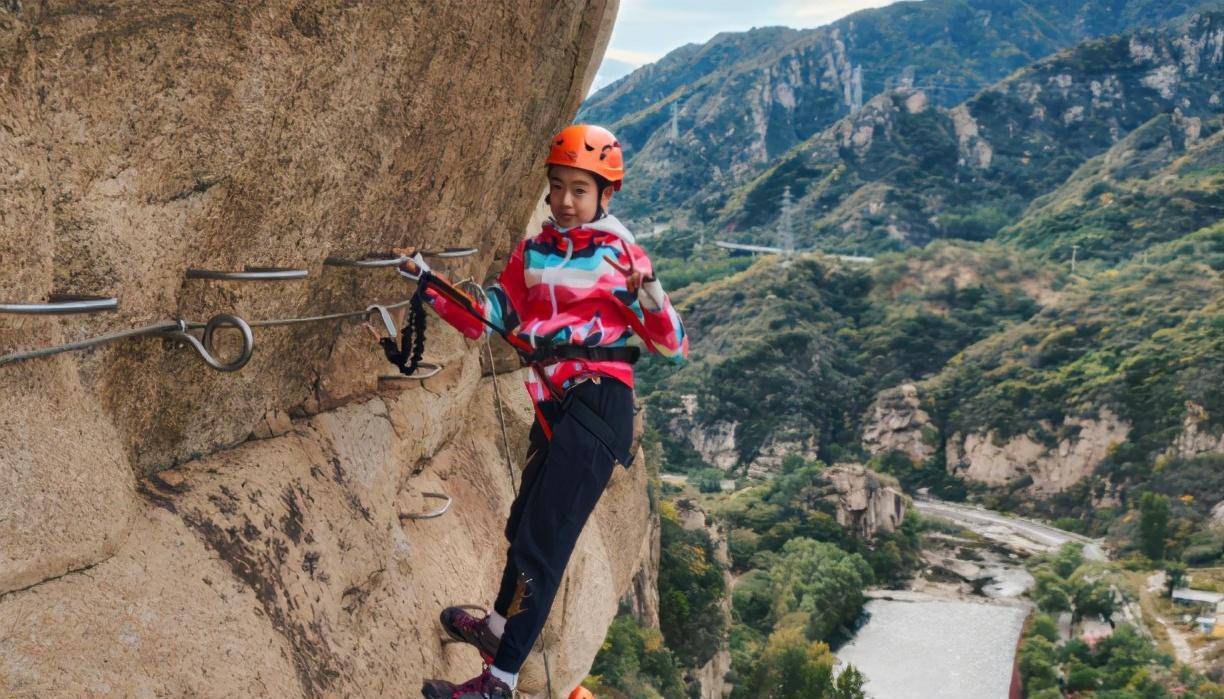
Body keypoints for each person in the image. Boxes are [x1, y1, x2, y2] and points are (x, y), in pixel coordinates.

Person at [403, 124, 688, 699]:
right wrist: (430, 285)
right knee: (521, 527)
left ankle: (500, 682)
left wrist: (649, 291)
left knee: (543, 545)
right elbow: (490, 313)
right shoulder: (533, 252)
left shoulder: (622, 257)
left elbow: (672, 345)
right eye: (557, 186)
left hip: (599, 404)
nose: (564, 200)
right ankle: (499, 631)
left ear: (606, 195)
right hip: (557, 406)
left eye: (580, 190)